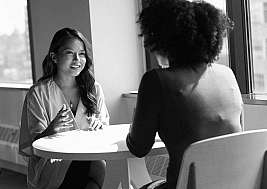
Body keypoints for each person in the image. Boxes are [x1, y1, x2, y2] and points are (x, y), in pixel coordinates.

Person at [126, 0, 243, 189]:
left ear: (161, 39)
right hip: (234, 183)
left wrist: (135, 123)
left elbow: (138, 148)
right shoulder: (227, 75)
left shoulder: (156, 80)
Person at [19, 28, 109, 189]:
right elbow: (32, 147)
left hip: (90, 164)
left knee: (92, 170)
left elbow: (104, 133)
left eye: (81, 54)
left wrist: (100, 127)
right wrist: (50, 131)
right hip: (53, 171)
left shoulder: (94, 89)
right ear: (54, 57)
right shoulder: (38, 93)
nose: (77, 59)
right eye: (69, 53)